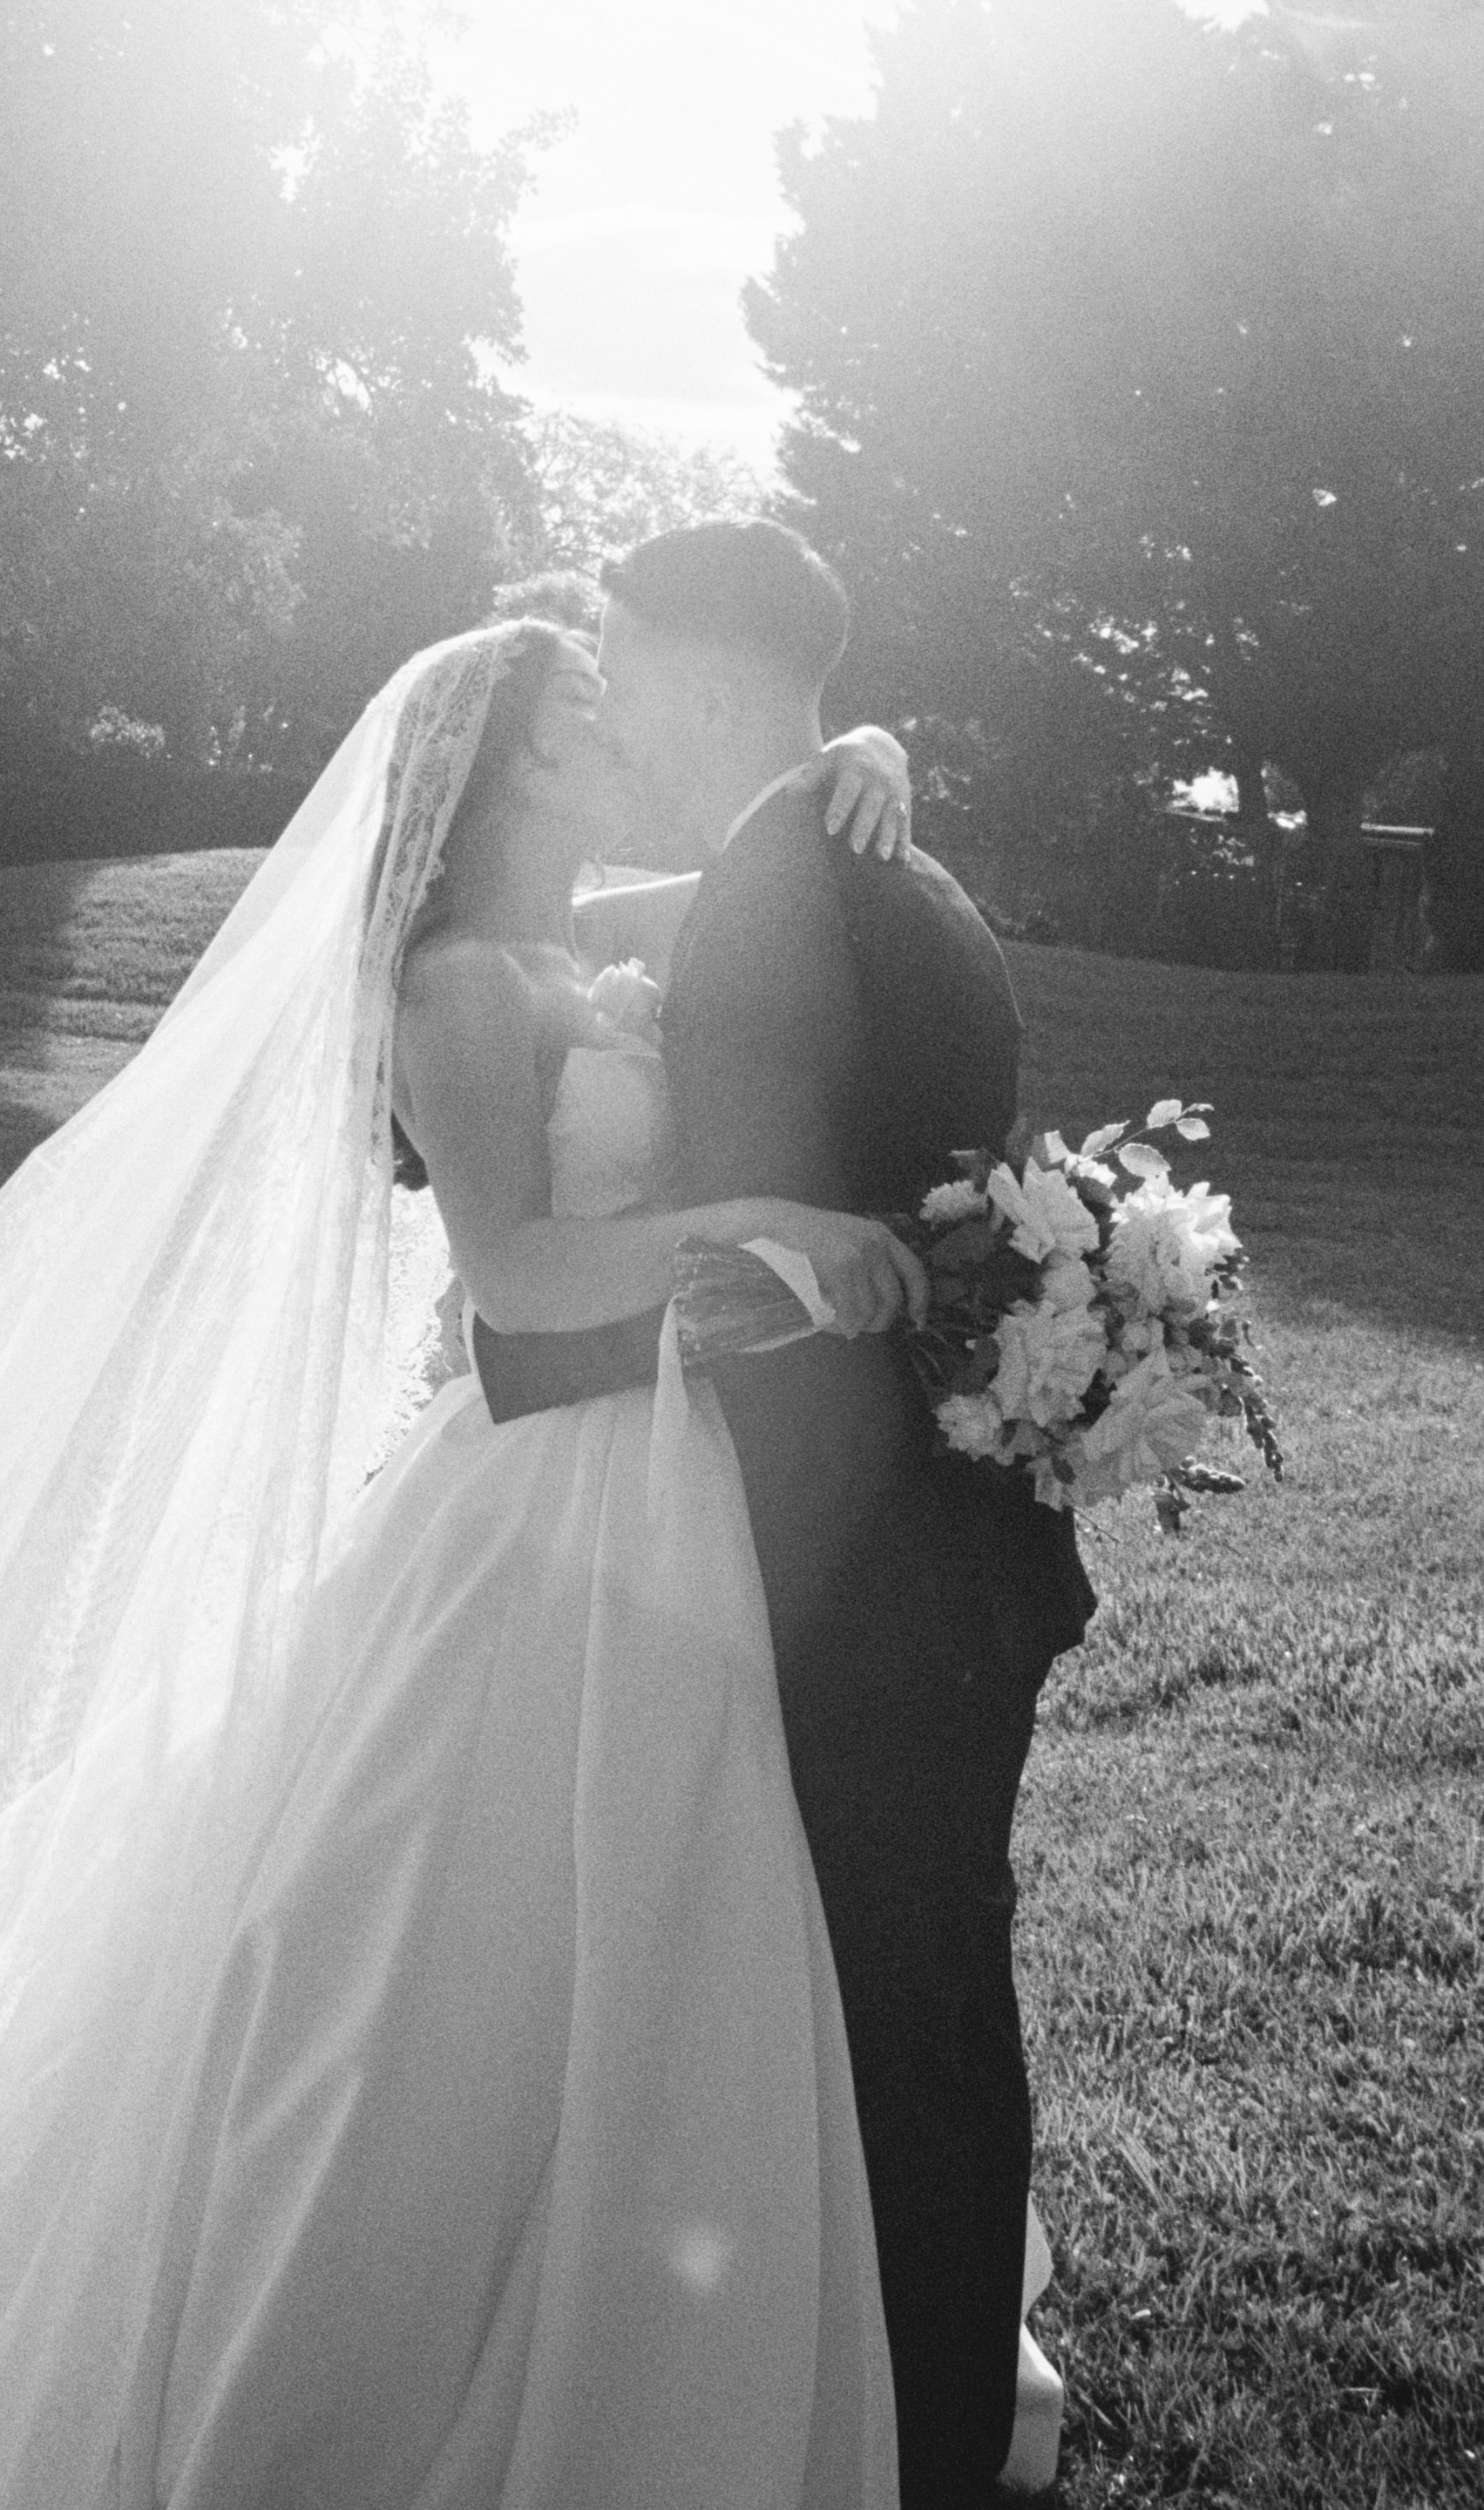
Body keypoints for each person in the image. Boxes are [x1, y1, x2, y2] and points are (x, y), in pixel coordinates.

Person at [0, 614, 931, 2507]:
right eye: (579, 716)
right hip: (528, 1503)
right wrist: (753, 1218)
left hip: (654, 1487)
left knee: (642, 1920)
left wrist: (876, 751)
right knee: (435, 1944)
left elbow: (760, 833)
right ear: (496, 767)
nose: (615, 728)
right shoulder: (457, 987)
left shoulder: (584, 934)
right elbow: (511, 1278)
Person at [470, 523, 1098, 2507]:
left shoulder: (776, 904)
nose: (614, 709)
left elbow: (779, 1307)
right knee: (908, 1995)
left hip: (851, 1573)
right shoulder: (888, 873)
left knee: (884, 2007)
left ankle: (892, 2435)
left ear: (707, 674)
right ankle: (883, 2404)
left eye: (626, 666)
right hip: (955, 1544)